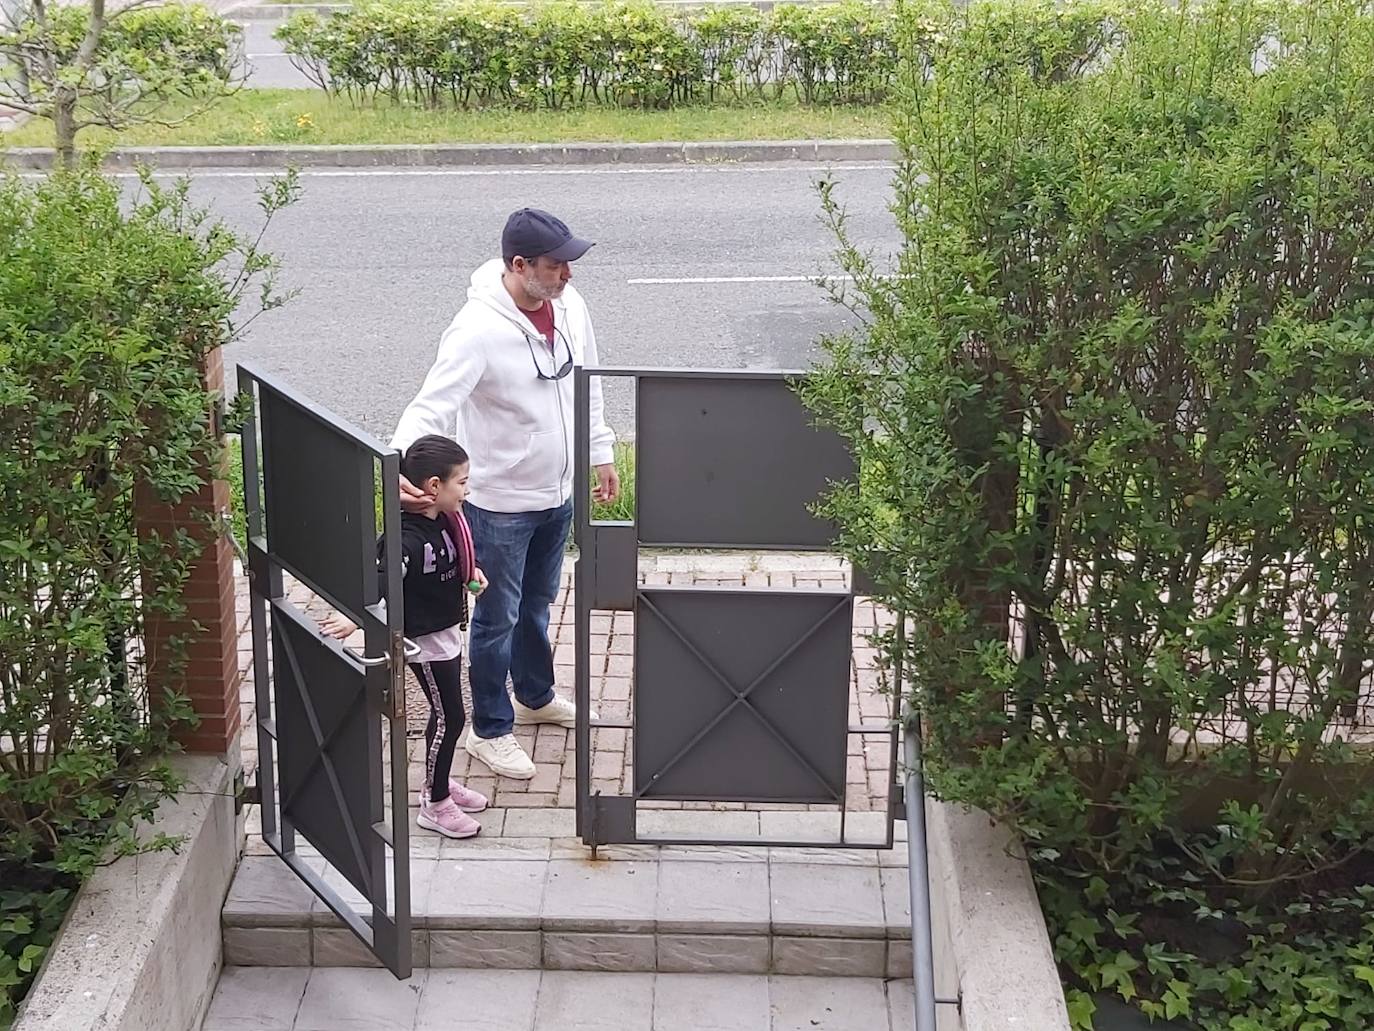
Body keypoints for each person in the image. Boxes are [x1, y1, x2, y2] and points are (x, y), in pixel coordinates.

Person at [390, 208, 617, 780]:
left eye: (569, 263)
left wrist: (601, 450)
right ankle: (489, 731)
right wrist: (401, 467)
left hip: (557, 493)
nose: (567, 275)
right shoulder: (476, 330)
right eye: (555, 265)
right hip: (498, 505)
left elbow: (587, 380)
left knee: (537, 606)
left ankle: (534, 697)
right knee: (496, 619)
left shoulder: (571, 307)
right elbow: (432, 403)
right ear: (519, 266)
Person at [322, 435, 490, 839]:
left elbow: (457, 554)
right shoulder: (407, 538)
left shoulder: (444, 520)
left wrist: (474, 571)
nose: (467, 490)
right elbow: (381, 580)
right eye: (462, 482)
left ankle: (439, 779)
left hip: (446, 629)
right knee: (451, 717)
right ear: (435, 487)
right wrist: (356, 620)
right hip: (426, 640)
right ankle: (435, 804)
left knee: (447, 716)